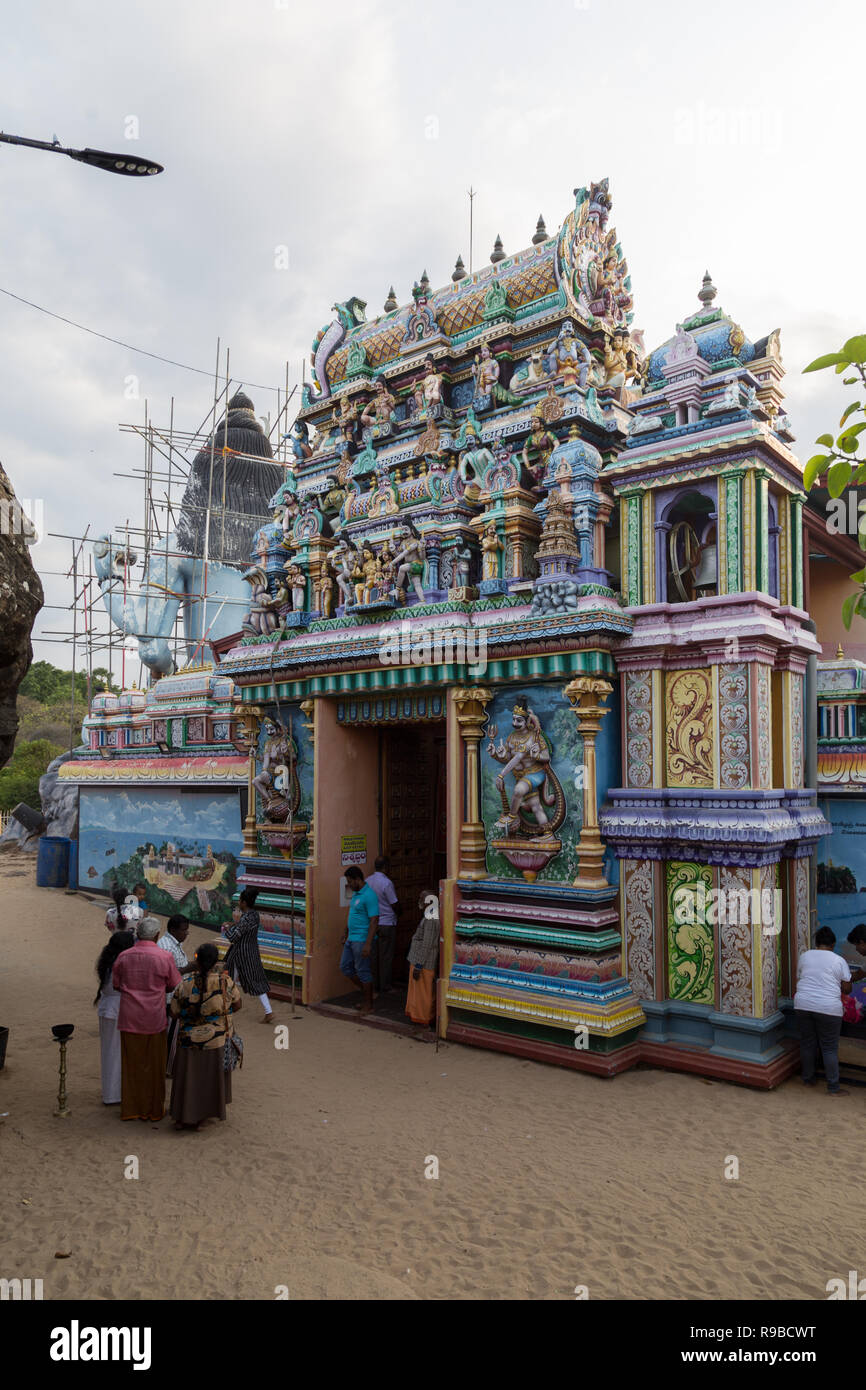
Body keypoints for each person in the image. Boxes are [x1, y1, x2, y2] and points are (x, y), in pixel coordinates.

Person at [112, 916, 182, 1121]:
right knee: (155, 1067)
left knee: (131, 1065)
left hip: (130, 1018)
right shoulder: (164, 957)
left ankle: (131, 1108)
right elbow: (173, 984)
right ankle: (153, 1109)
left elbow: (117, 984)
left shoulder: (124, 956)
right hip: (154, 1019)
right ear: (157, 935)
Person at [169, 942, 242, 1131]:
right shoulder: (225, 983)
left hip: (188, 1041)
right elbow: (237, 1004)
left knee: (188, 1079)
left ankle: (182, 1117)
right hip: (215, 1040)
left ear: (197, 961)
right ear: (215, 962)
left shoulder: (185, 985)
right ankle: (202, 1117)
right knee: (209, 1080)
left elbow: (174, 1012)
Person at [794, 925, 852, 1096]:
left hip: (802, 1004)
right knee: (829, 1048)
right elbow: (847, 989)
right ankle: (833, 1087)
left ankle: (808, 1079)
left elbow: (801, 976)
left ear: (816, 943)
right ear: (833, 944)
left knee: (807, 1043)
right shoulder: (838, 960)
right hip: (828, 1008)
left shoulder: (805, 956)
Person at [93, 930, 135, 1104]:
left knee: (111, 1051)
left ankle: (112, 1092)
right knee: (115, 1052)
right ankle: (113, 1094)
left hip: (108, 1009)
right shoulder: (119, 964)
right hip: (116, 1009)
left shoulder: (108, 961)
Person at [222, 888, 274, 1023]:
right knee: (256, 980)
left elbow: (234, 937)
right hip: (252, 952)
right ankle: (268, 1011)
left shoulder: (246, 918)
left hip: (240, 954)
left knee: (228, 980)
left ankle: (226, 1007)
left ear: (244, 902)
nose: (239, 903)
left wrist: (226, 929)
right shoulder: (254, 915)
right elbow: (243, 926)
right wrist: (233, 924)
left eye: (240, 901)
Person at [158, 915, 196, 1076]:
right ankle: (168, 1068)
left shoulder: (175, 944)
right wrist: (188, 968)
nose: (186, 933)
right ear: (173, 930)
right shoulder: (166, 946)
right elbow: (168, 975)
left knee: (173, 1034)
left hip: (177, 996)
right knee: (170, 1035)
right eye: (184, 930)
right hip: (169, 999)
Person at [340, 867, 379, 1014]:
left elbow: (374, 920)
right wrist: (345, 932)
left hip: (362, 939)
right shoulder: (356, 894)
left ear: (357, 879)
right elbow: (352, 913)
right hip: (352, 938)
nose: (349, 885)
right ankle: (367, 993)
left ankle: (368, 1005)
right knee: (345, 967)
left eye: (350, 882)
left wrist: (368, 943)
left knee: (363, 971)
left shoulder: (369, 895)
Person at [405, 890, 440, 1031]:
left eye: (422, 898)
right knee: (422, 993)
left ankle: (424, 1022)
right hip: (421, 960)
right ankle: (422, 1019)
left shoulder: (431, 918)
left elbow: (427, 944)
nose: (419, 899)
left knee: (423, 994)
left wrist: (419, 965)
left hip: (424, 962)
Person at [366, 856, 399, 992]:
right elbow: (394, 903)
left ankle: (374, 984)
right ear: (385, 867)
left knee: (373, 956)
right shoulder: (386, 883)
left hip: (372, 923)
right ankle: (385, 985)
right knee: (385, 956)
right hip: (387, 923)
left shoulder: (367, 881)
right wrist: (400, 912)